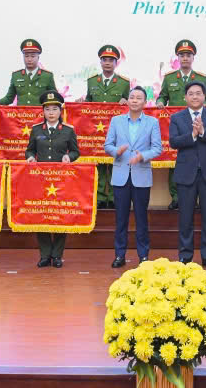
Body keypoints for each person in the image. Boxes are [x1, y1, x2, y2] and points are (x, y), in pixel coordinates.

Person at [103, 86, 162, 267]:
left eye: (139, 98)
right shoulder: (116, 121)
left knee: (141, 218)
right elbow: (108, 145)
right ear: (127, 100)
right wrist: (117, 151)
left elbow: (157, 148)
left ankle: (143, 256)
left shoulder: (152, 122)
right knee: (121, 219)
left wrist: (142, 156)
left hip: (141, 176)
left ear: (145, 102)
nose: (135, 100)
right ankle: (119, 255)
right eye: (132, 97)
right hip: (120, 176)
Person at [168, 82, 206, 267]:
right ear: (185, 97)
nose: (194, 96)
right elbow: (174, 142)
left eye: (198, 93)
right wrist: (192, 135)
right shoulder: (177, 117)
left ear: (204, 96)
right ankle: (185, 255)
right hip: (186, 174)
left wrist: (203, 132)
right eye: (191, 94)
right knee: (185, 217)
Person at [25, 89, 82, 268]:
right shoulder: (36, 130)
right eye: (47, 109)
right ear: (43, 111)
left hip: (61, 180)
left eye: (54, 109)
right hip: (40, 179)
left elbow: (76, 152)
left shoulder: (68, 131)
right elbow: (30, 150)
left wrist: (69, 157)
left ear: (60, 111)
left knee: (59, 215)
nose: (51, 113)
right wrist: (30, 157)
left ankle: (57, 255)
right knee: (42, 215)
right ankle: (45, 255)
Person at [158, 39, 206, 209]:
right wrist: (160, 102)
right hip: (178, 124)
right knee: (175, 160)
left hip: (198, 123)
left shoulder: (202, 78)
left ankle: (197, 198)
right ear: (178, 58)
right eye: (182, 55)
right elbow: (162, 96)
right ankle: (176, 197)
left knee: (197, 159)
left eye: (188, 55)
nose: (185, 58)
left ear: (193, 57)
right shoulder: (169, 78)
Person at [86, 44, 131, 211]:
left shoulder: (124, 83)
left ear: (116, 63)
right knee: (98, 164)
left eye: (111, 60)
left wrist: (126, 101)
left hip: (116, 131)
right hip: (96, 132)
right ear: (100, 62)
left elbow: (131, 106)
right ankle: (99, 197)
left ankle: (112, 197)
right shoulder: (92, 81)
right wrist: (81, 103)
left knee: (115, 163)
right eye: (104, 59)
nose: (107, 63)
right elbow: (88, 105)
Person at [0, 39, 56, 107]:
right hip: (21, 113)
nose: (29, 59)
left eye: (33, 56)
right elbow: (9, 98)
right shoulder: (16, 75)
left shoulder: (47, 76)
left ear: (38, 57)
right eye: (26, 56)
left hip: (40, 113)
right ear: (23, 57)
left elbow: (54, 98)